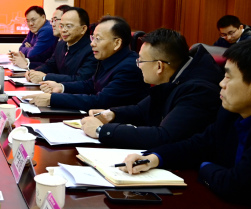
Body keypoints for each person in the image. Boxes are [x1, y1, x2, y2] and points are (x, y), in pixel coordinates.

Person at [121, 38, 251, 207]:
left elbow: (236, 186)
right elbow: (201, 143)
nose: (221, 83)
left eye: (228, 77)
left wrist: (203, 166)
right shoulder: (234, 109)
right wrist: (155, 157)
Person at [79, 28, 222, 149]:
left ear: (159, 66)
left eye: (141, 60)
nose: (138, 65)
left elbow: (164, 136)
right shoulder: (177, 76)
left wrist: (101, 130)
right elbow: (141, 110)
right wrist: (112, 114)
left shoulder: (198, 90)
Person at [27, 16, 149, 111]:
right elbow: (90, 84)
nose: (92, 44)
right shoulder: (108, 58)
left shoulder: (129, 67)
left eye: (98, 39)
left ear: (117, 43)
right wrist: (61, 87)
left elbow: (100, 101)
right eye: (93, 38)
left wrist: (52, 99)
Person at [25, 6, 97, 84]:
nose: (63, 30)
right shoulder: (61, 44)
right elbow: (50, 65)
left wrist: (45, 77)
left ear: (83, 29)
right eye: (61, 26)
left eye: (68, 26)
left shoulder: (92, 49)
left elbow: (80, 79)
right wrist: (33, 72)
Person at [10, 5, 69, 69]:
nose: (30, 24)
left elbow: (31, 54)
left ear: (43, 17)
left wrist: (30, 51)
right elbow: (21, 49)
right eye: (28, 21)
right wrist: (30, 52)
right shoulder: (34, 28)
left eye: (33, 20)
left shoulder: (48, 30)